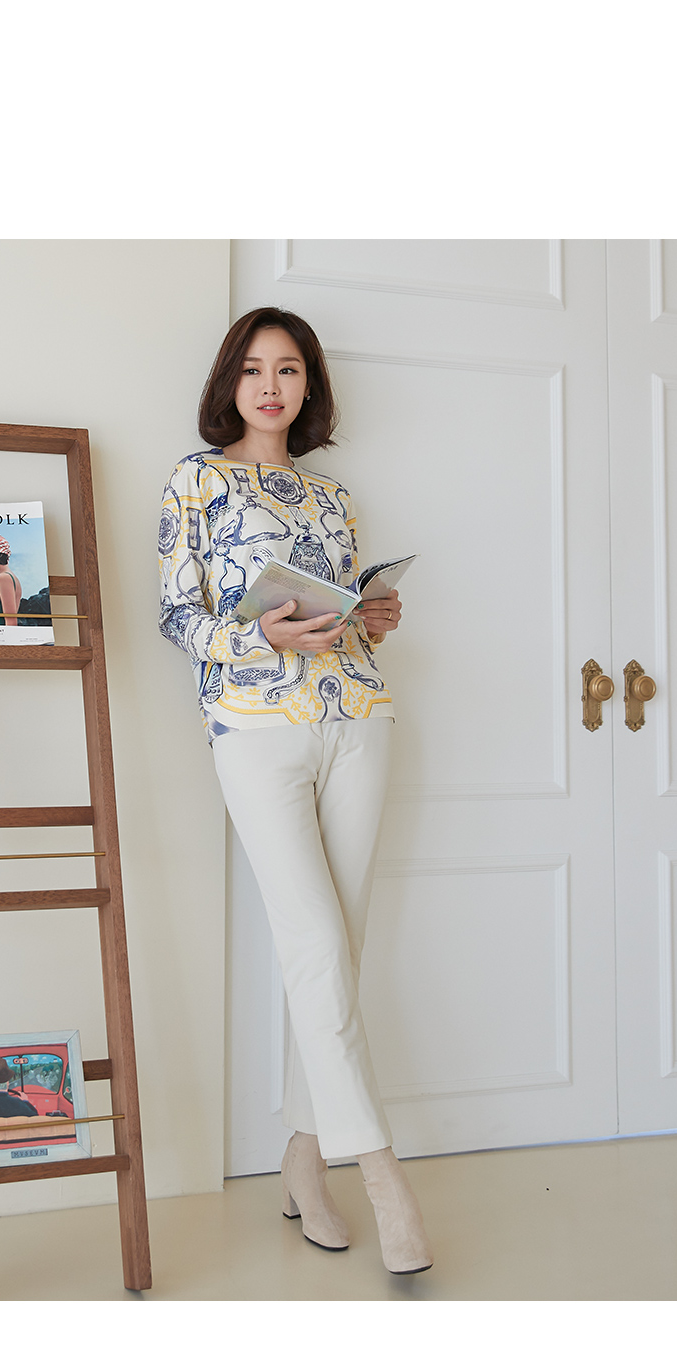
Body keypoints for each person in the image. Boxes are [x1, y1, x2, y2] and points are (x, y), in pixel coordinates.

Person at [158, 306, 433, 1274]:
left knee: (335, 952)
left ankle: (302, 1162)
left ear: (309, 383)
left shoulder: (333, 498)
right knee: (315, 946)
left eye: (287, 369)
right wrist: (257, 635)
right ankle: (384, 1179)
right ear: (229, 382)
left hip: (356, 717)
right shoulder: (196, 481)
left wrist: (369, 617)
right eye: (252, 368)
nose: (269, 386)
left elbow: (335, 617)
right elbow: (176, 616)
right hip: (253, 728)